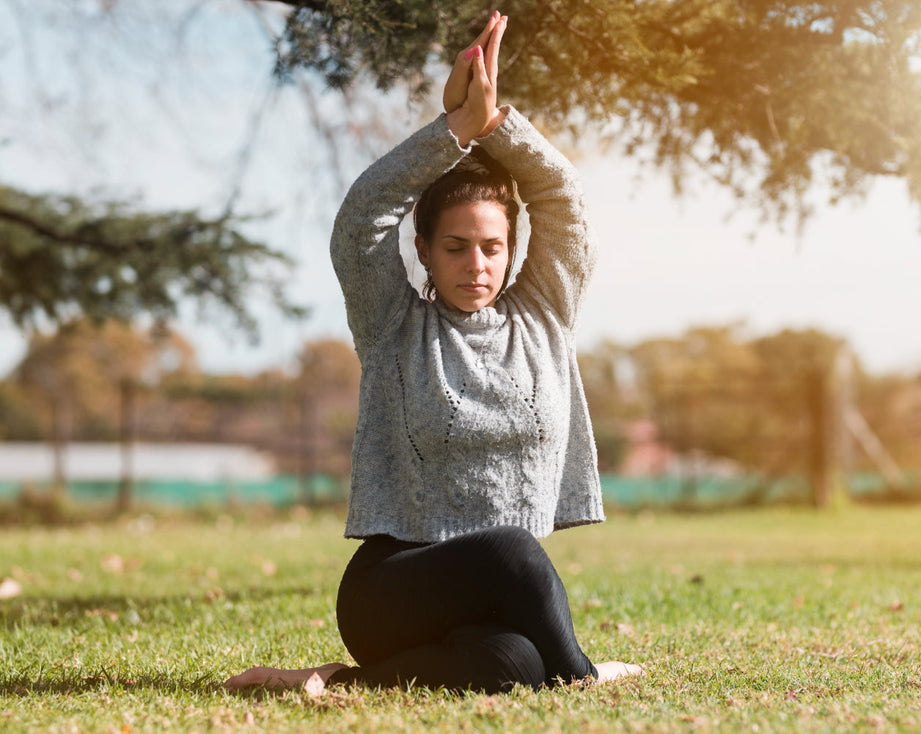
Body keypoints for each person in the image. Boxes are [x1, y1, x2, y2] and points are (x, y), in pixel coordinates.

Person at [225, 11, 642, 694]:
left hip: (481, 601)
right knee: (514, 550)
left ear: (512, 250)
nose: (475, 264)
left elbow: (564, 199)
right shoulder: (393, 325)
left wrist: (499, 125)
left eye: (491, 246)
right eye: (454, 246)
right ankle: (585, 677)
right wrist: (454, 129)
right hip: (393, 589)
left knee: (515, 666)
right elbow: (363, 216)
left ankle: (328, 682)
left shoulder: (544, 315)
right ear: (423, 250)